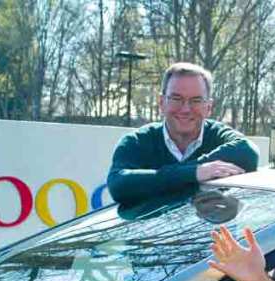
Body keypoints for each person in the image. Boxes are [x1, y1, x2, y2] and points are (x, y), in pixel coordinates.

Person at [107, 62, 258, 205]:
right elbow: (118, 184)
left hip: (213, 232)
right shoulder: (137, 142)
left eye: (196, 100)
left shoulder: (219, 136)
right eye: (176, 98)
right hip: (152, 232)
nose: (186, 109)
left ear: (209, 107)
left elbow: (248, 152)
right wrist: (195, 173)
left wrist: (161, 180)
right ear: (161, 103)